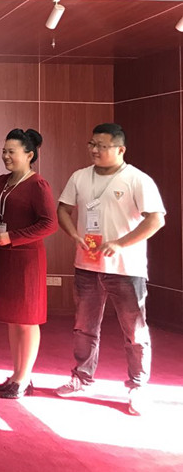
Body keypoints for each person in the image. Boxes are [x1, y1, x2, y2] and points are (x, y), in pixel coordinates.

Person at [55, 123, 165, 416]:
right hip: (87, 265)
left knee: (134, 331)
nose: (94, 150)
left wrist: (120, 243)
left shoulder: (137, 179)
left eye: (101, 146)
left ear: (120, 149)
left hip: (126, 268)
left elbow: (156, 219)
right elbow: (63, 209)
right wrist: (74, 235)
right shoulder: (80, 176)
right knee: (84, 327)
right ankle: (81, 377)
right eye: (92, 144)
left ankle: (138, 386)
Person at [0, 129, 58, 399]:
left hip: (27, 259)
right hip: (5, 256)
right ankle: (16, 374)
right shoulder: (3, 180)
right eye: (4, 151)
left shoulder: (38, 184)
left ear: (29, 155)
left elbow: (49, 224)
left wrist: (13, 237)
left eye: (11, 152)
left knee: (28, 320)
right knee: (13, 319)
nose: (5, 156)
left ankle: (24, 377)